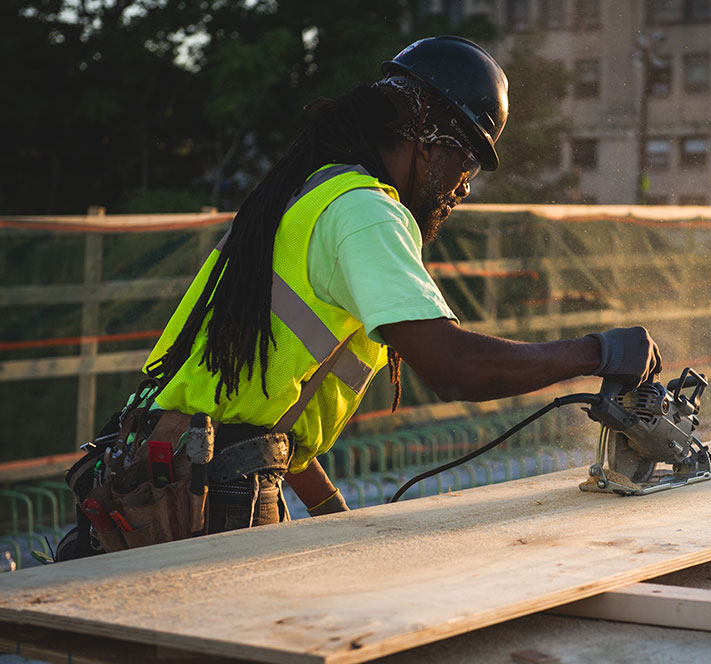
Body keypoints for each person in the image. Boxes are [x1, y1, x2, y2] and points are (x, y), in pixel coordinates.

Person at [59, 36, 661, 558]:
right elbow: (453, 368)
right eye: (467, 160)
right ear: (432, 139)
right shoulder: (365, 212)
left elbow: (262, 425)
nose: (463, 187)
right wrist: (600, 352)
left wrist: (337, 518)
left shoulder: (307, 194)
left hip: (167, 473)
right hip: (209, 499)